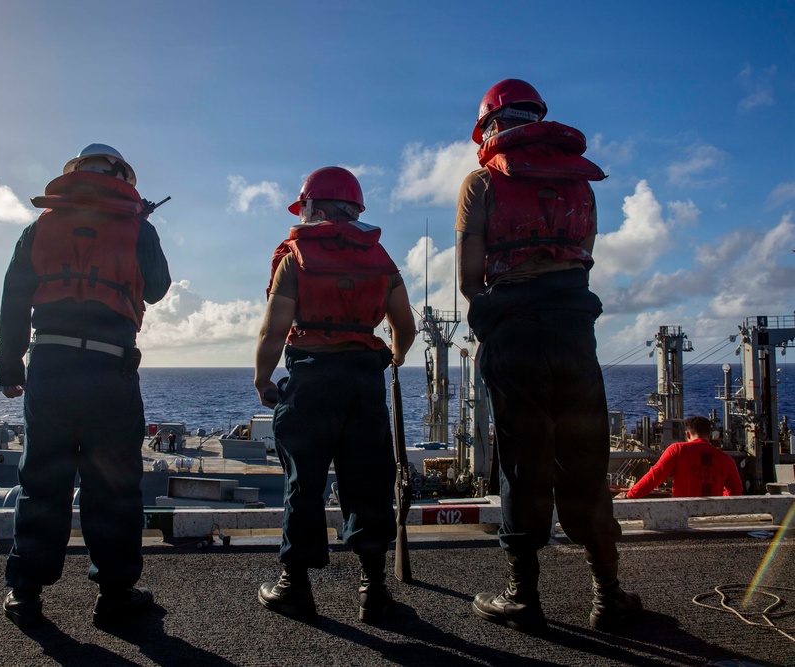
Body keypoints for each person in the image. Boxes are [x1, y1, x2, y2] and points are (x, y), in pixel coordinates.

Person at [456, 80, 641, 633]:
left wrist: (497, 312)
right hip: (572, 331)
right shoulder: (580, 184)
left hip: (513, 333)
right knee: (585, 456)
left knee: (522, 461)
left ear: (490, 127)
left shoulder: (481, 183)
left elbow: (468, 279)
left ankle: (523, 597)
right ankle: (607, 595)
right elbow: (584, 259)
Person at [0, 143, 171, 629]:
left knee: (41, 480)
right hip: (110, 368)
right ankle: (115, 595)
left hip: (49, 365)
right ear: (121, 178)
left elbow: (14, 297)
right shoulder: (139, 227)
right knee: (113, 484)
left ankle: (25, 593)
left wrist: (10, 361)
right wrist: (140, 227)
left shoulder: (39, 227)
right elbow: (156, 288)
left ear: (75, 174)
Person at [254, 166, 416, 624]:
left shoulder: (296, 256)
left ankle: (294, 586)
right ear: (355, 209)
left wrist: (263, 380)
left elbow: (274, 331)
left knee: (303, 483)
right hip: (363, 383)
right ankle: (373, 590)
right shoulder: (381, 258)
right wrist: (396, 357)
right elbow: (405, 327)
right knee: (368, 481)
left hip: (311, 380)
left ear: (312, 207)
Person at [620, 416, 743, 499]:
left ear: (687, 434)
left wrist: (629, 495)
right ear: (709, 434)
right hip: (714, 516)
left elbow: (655, 476)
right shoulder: (726, 459)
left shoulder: (678, 450)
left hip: (683, 514)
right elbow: (736, 491)